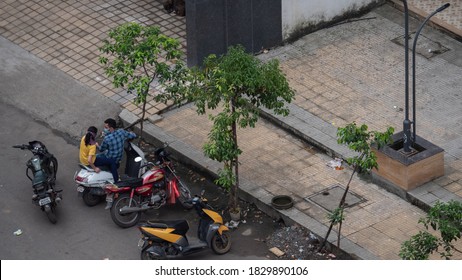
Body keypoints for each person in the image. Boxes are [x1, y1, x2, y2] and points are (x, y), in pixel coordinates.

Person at [95, 118, 136, 182]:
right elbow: (132, 135)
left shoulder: (107, 138)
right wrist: (132, 133)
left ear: (111, 128)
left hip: (109, 158)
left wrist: (97, 145)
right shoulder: (121, 131)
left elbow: (101, 149)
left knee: (95, 157)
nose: (104, 129)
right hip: (118, 160)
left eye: (106, 127)